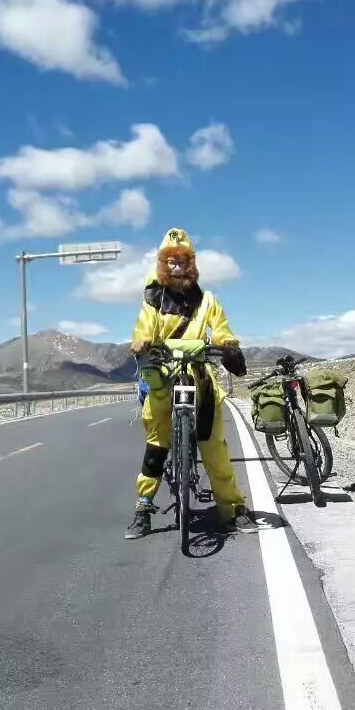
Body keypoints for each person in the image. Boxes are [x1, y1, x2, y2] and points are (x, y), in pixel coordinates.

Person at [125, 228, 258, 539]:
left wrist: (227, 343)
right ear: (162, 264)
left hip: (199, 377)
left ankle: (232, 509)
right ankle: (143, 509)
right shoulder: (153, 300)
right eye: (171, 261)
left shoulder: (207, 300)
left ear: (192, 264)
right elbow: (144, 329)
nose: (178, 267)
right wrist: (141, 341)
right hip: (165, 375)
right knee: (157, 444)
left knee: (214, 446)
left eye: (183, 261)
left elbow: (220, 328)